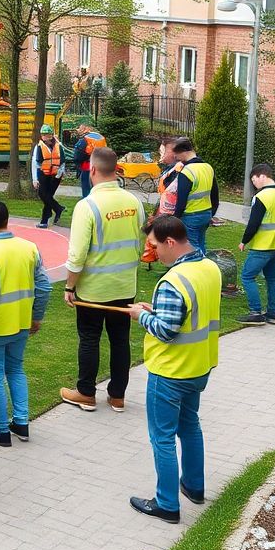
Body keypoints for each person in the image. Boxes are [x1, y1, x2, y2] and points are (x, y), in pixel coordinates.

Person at [126, 215, 221, 524]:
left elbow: (166, 331)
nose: (152, 253)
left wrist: (140, 316)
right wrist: (156, 310)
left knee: (162, 438)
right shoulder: (209, 267)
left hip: (170, 370)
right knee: (190, 426)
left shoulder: (173, 281)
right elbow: (191, 314)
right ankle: (194, 486)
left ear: (170, 242)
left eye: (154, 246)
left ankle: (167, 504)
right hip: (199, 365)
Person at [61, 147, 144, 412]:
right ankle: (117, 396)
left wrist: (69, 286)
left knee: (89, 338)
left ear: (93, 170)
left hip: (94, 289)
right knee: (120, 340)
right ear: (116, 169)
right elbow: (139, 238)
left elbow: (77, 255)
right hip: (124, 284)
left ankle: (86, 392)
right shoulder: (134, 202)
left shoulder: (87, 206)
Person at [0, 200, 51, 445]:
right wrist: (36, 317)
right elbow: (44, 287)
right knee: (15, 369)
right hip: (22, 323)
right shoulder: (30, 248)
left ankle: (1, 431)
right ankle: (21, 423)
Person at [238, 164, 275, 326]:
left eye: (254, 180)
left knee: (247, 276)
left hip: (262, 246)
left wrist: (244, 241)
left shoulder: (262, 196)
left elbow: (254, 223)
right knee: (272, 278)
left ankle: (255, 312)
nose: (254, 184)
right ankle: (272, 313)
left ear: (262, 176)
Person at [171, 137, 218, 256]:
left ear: (183, 152)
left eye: (176, 154)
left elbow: (181, 201)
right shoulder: (208, 167)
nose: (176, 158)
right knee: (201, 244)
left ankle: (196, 266)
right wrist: (212, 213)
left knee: (192, 248)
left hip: (191, 216)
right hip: (206, 213)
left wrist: (175, 219)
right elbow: (215, 195)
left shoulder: (186, 172)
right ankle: (205, 265)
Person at [140, 136, 184, 265]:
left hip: (170, 214)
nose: (161, 154)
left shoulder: (178, 169)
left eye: (163, 151)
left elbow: (171, 193)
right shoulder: (171, 169)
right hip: (166, 212)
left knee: (167, 240)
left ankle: (172, 263)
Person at [31, 123, 66, 228]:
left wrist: (60, 173)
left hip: (56, 175)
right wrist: (35, 179)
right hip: (44, 174)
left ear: (51, 135)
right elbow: (35, 163)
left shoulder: (58, 146)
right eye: (43, 135)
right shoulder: (39, 147)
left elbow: (63, 161)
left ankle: (44, 221)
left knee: (48, 197)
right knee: (43, 194)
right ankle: (58, 208)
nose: (45, 137)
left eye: (47, 134)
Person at [71, 123, 107, 199]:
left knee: (86, 184)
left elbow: (78, 154)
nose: (78, 130)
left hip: (87, 164)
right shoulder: (101, 137)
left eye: (80, 129)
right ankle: (98, 199)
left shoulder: (85, 139)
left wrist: (78, 164)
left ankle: (87, 200)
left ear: (84, 129)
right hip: (99, 164)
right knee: (96, 184)